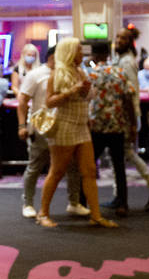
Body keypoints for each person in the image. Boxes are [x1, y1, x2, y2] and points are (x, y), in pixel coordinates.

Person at [36, 38, 116, 229]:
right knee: (57, 171)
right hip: (64, 125)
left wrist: (86, 91)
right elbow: (49, 102)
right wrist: (72, 92)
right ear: (70, 52)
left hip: (81, 125)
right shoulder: (57, 74)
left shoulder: (80, 71)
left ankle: (96, 215)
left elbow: (87, 97)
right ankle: (43, 213)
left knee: (89, 171)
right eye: (79, 50)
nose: (83, 54)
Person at [89, 41, 149, 218]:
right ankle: (122, 203)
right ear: (108, 55)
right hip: (117, 124)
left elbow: (86, 100)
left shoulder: (91, 75)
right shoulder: (119, 72)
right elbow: (128, 100)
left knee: (89, 166)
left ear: (94, 55)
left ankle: (85, 202)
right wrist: (132, 125)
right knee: (119, 166)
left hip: (98, 126)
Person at [17, 45, 83, 218]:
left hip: (65, 126)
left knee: (72, 166)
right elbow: (22, 101)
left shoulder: (68, 75)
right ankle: (28, 203)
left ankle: (74, 202)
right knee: (36, 165)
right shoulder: (36, 75)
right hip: (42, 127)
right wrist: (22, 126)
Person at [109, 27, 149, 210]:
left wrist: (133, 119)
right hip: (122, 113)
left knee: (125, 153)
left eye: (123, 38)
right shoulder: (120, 59)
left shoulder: (127, 62)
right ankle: (120, 194)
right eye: (117, 37)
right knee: (120, 154)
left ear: (129, 42)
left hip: (127, 115)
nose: (118, 41)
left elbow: (131, 91)